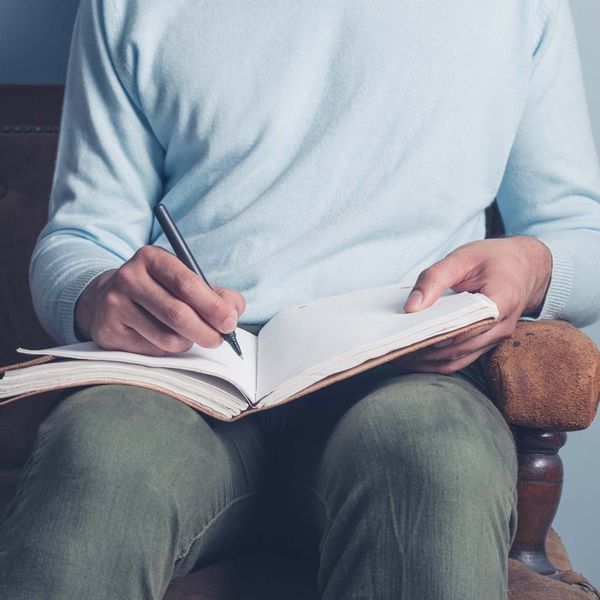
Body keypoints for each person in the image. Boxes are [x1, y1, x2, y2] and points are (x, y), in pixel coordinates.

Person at [1, 0, 599, 598]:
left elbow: (582, 233)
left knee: (439, 460)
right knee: (96, 459)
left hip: (408, 373)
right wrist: (95, 293)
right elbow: (83, 236)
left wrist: (534, 265)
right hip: (191, 371)